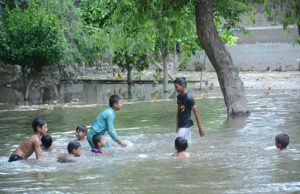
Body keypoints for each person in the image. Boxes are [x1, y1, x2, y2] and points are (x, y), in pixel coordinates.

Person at [174, 77, 205, 143]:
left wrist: (200, 128)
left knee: (177, 144)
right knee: (187, 145)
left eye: (176, 87)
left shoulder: (189, 98)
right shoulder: (179, 97)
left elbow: (196, 112)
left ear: (183, 86)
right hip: (182, 125)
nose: (175, 88)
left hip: (186, 125)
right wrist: (177, 125)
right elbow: (179, 111)